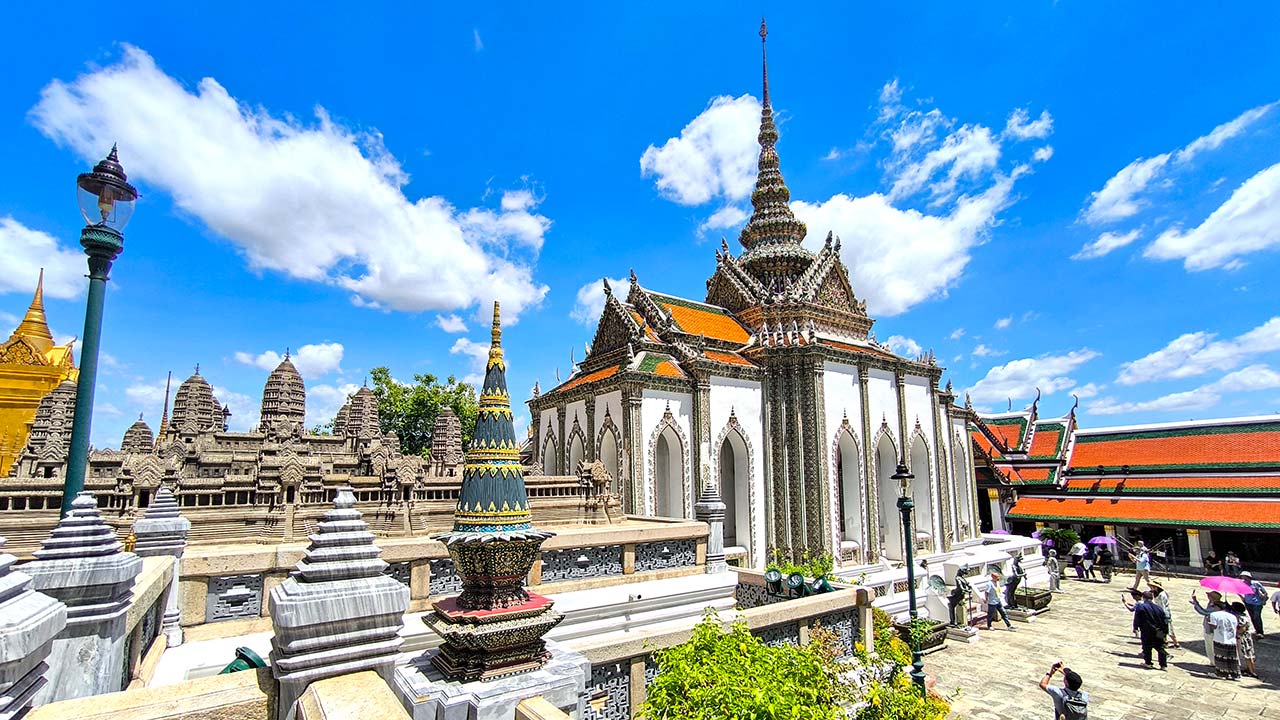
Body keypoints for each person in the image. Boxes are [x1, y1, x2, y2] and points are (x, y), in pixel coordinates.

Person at [1132, 590, 1169, 670]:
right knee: (1160, 647)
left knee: (1147, 647)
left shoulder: (1141, 607)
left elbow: (1137, 618)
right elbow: (1165, 621)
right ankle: (1163, 665)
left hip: (1147, 630)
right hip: (1159, 631)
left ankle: (1148, 663)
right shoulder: (1159, 608)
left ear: (1143, 598)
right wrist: (1165, 632)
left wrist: (1135, 628)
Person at [1191, 590, 1225, 674]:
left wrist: (1196, 602)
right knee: (1209, 646)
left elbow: (1203, 612)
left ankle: (1215, 662)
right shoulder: (1211, 604)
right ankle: (1212, 661)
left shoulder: (1214, 607)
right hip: (1208, 627)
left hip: (1211, 629)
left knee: (1211, 646)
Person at [1208, 602, 1241, 679]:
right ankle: (1234, 674)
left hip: (1220, 639)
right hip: (1231, 640)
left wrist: (1208, 622)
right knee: (1231, 658)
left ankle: (1221, 673)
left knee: (1220, 658)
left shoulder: (1214, 615)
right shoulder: (1233, 616)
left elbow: (1214, 627)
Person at [1231, 602, 1257, 678]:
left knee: (1248, 655)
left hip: (1244, 638)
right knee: (1249, 654)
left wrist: (1236, 631)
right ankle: (1249, 668)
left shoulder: (1241, 618)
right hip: (1247, 637)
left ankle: (1251, 671)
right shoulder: (1244, 616)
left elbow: (1242, 629)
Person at [1149, 583, 1179, 648]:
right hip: (1160, 613)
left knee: (1169, 629)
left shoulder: (1162, 595)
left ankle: (1176, 643)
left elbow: (1163, 606)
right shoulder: (1156, 594)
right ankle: (1165, 642)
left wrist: (1161, 615)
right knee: (1162, 629)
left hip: (1164, 614)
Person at [1239, 571, 1267, 636]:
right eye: (1243, 578)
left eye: (1245, 578)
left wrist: (1263, 600)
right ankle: (1257, 630)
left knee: (1256, 617)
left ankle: (1260, 631)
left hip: (1257, 603)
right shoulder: (1242, 584)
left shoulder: (1255, 584)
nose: (1244, 579)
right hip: (1248, 603)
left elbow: (1264, 592)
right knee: (1252, 617)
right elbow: (1238, 591)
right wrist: (1241, 597)